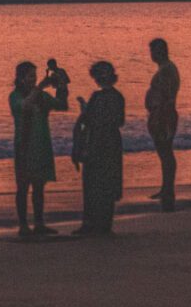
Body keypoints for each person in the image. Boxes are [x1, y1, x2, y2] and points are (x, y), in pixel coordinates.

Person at [9, 60, 69, 237]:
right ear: (20, 78)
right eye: (29, 77)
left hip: (42, 145)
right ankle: (23, 225)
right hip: (24, 146)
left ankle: (39, 223)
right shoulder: (15, 96)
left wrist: (62, 85)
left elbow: (62, 105)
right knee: (23, 186)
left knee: (39, 187)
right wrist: (41, 87)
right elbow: (24, 105)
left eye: (34, 77)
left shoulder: (41, 97)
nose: (33, 80)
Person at [72, 61, 126, 235]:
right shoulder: (116, 97)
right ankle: (102, 225)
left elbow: (93, 120)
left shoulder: (101, 97)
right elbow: (118, 121)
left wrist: (86, 112)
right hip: (107, 143)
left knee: (94, 184)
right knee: (103, 184)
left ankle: (92, 224)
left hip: (100, 143)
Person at [145, 38, 181, 211]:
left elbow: (166, 95)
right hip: (162, 114)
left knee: (165, 152)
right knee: (164, 152)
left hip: (164, 116)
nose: (151, 55)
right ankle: (166, 188)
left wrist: (158, 114)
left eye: (153, 51)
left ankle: (168, 190)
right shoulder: (165, 68)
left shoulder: (167, 69)